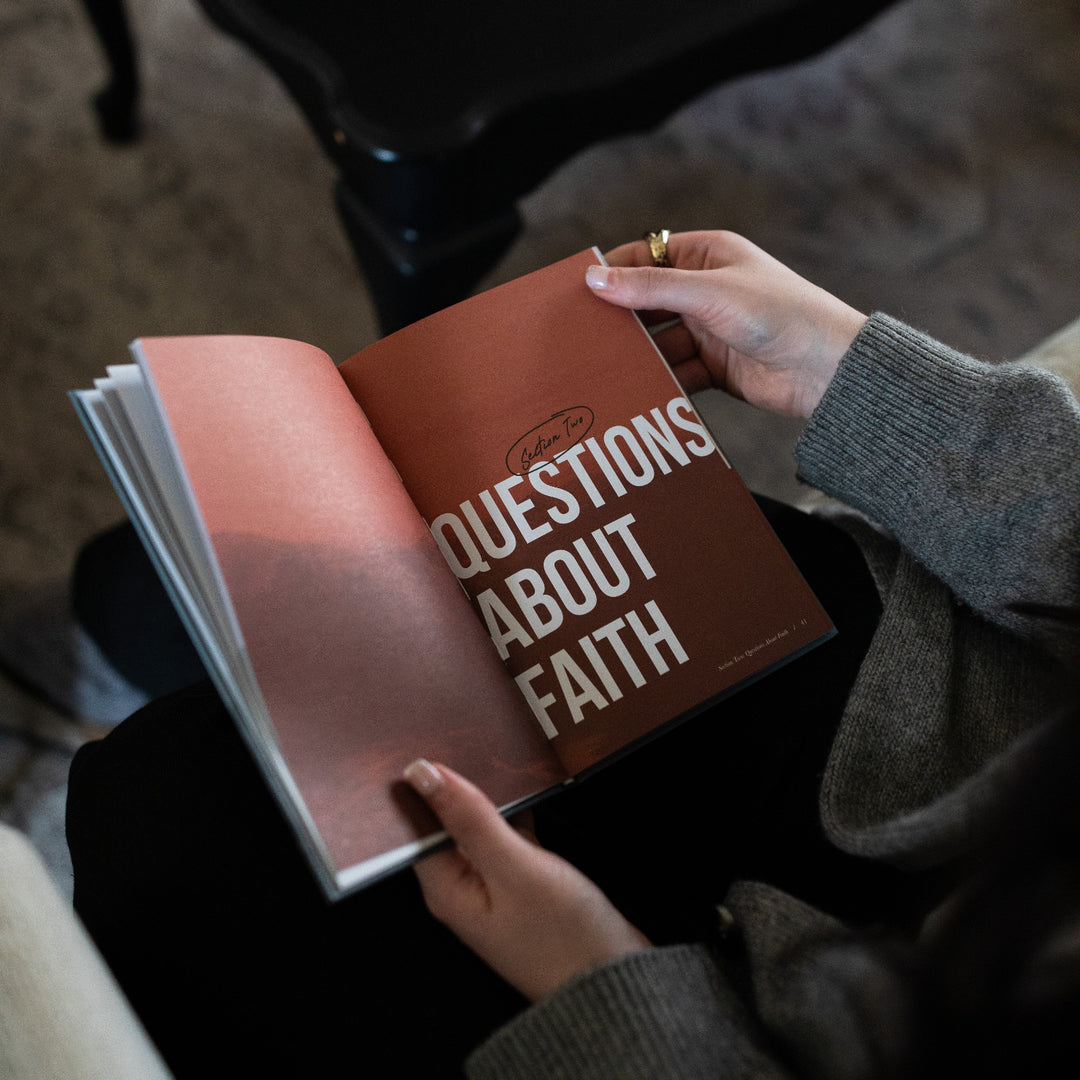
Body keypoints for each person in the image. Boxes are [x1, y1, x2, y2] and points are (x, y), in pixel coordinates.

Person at [64, 231, 1079, 1078]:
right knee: (299, 594)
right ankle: (122, 629)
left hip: (727, 1033)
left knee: (164, 849)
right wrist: (855, 373)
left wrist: (604, 988)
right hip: (948, 696)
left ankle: (105, 648)